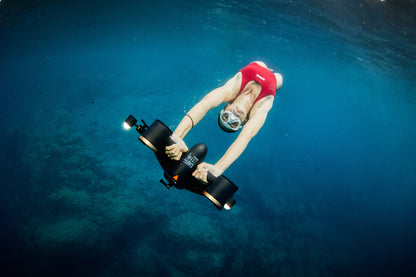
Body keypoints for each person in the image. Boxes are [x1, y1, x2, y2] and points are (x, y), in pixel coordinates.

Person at [166, 61, 283, 183]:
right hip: (273, 81)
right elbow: (245, 137)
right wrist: (217, 169)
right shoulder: (260, 108)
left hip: (256, 65)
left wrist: (177, 136)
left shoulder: (231, 90)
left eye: (226, 116)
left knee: (260, 62)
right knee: (279, 78)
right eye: (234, 123)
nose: (232, 117)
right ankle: (275, 76)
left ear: (227, 105)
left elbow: (205, 104)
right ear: (245, 121)